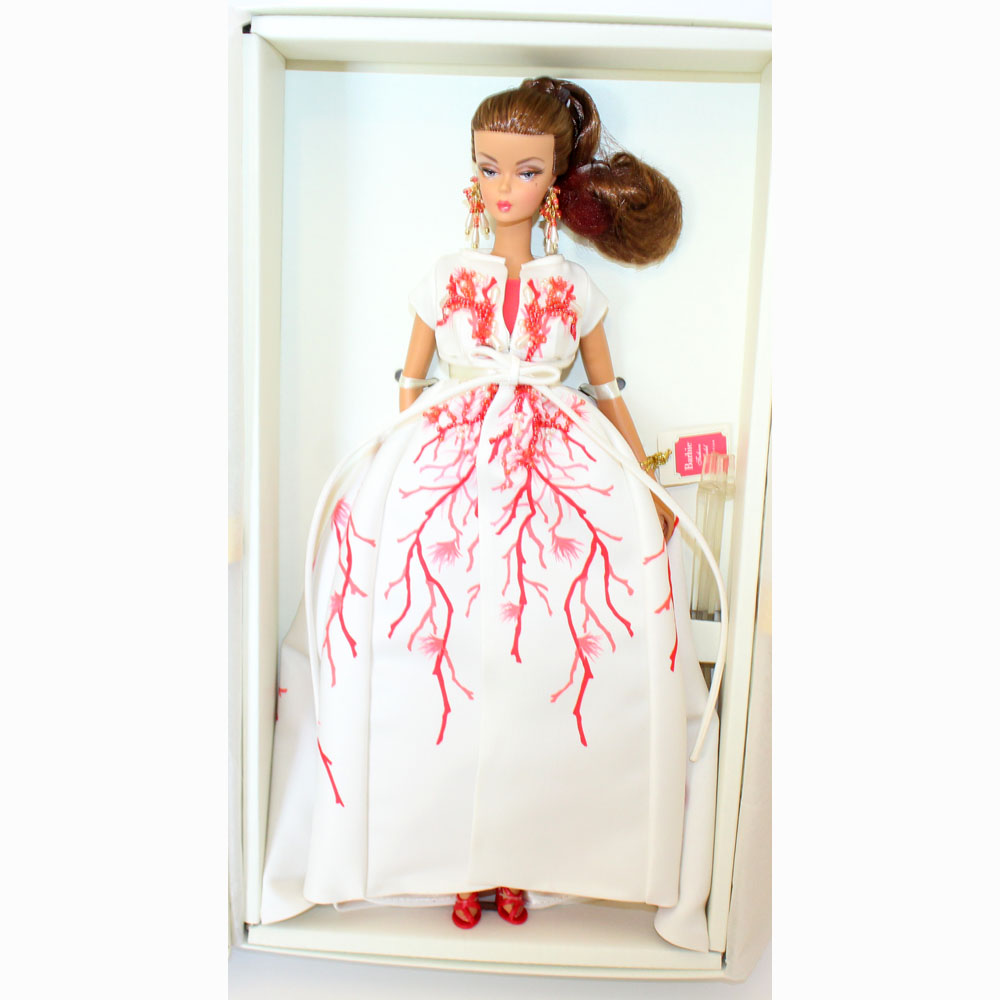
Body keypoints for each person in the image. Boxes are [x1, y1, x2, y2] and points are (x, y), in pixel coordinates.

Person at [261, 77, 724, 952]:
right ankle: (444, 856)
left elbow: (607, 390)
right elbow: (411, 381)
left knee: (541, 660)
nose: (503, 185)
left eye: (525, 170)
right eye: (488, 167)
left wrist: (643, 481)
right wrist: (390, 469)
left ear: (553, 186)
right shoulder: (446, 278)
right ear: (471, 176)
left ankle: (524, 856)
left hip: (559, 471)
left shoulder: (572, 288)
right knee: (435, 660)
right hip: (446, 465)